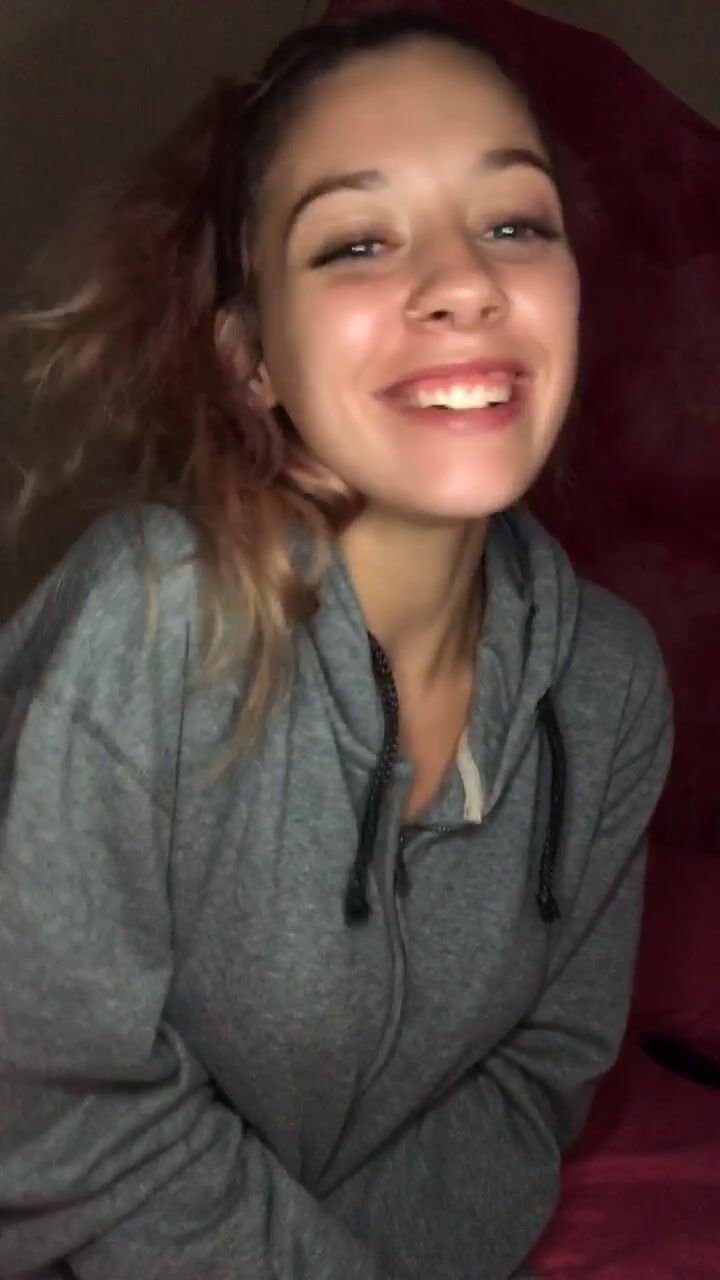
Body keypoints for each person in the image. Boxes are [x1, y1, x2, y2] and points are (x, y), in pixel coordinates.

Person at [0, 10, 673, 1280]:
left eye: (515, 223)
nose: (466, 281)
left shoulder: (613, 686)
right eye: (359, 240)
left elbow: (537, 1081)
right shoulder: (147, 623)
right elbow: (45, 1121)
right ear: (252, 358)